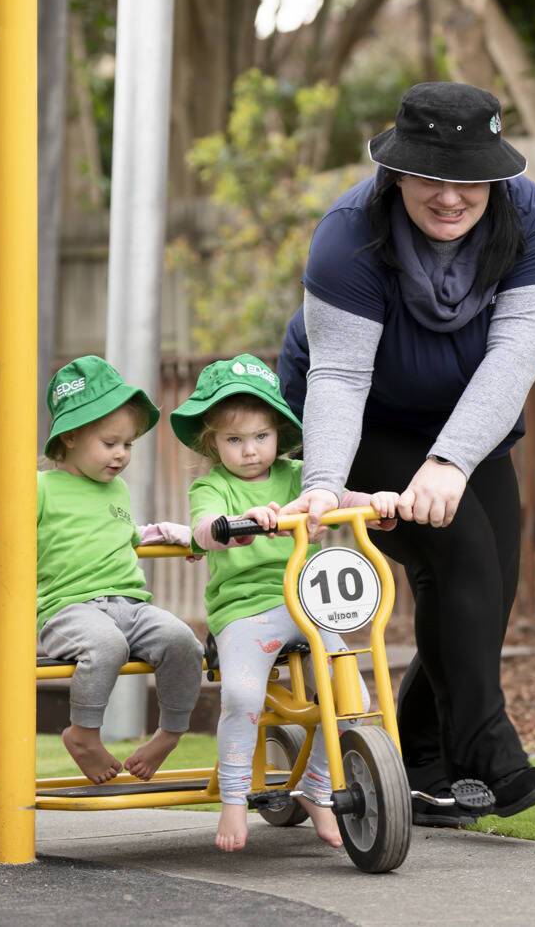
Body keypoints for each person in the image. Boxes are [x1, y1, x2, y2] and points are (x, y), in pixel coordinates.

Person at [277, 81, 535, 826]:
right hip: (364, 416)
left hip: (469, 421)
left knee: (486, 588)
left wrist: (452, 459)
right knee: (461, 550)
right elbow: (340, 375)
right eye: (433, 178)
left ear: (495, 176)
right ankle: (489, 754)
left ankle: (425, 768)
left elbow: (514, 359)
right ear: (397, 172)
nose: (451, 197)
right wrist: (323, 482)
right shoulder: (350, 232)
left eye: (469, 178)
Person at [172, 353, 398, 853]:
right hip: (245, 613)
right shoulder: (213, 485)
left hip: (307, 607)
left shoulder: (297, 477)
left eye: (260, 437)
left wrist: (377, 504)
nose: (250, 451)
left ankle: (319, 787)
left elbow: (337, 499)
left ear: (278, 433)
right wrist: (238, 523)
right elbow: (203, 530)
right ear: (213, 443)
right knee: (244, 698)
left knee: (353, 701)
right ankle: (233, 799)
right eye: (234, 440)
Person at [0, 355, 202, 785]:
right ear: (72, 437)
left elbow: (127, 535)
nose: (121, 454)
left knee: (182, 641)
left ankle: (169, 732)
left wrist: (175, 536)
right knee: (105, 645)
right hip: (67, 608)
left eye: (128, 445)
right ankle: (84, 735)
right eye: (110, 442)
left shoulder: (118, 490)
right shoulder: (37, 486)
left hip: (129, 605)